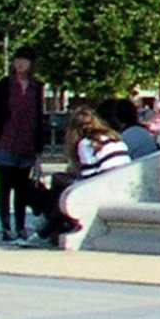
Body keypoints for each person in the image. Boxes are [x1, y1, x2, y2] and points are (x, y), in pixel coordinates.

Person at [42, 104, 131, 246]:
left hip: (107, 186)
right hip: (122, 183)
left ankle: (44, 230)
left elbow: (89, 177)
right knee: (63, 185)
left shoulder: (86, 143)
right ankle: (46, 228)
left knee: (60, 185)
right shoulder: (112, 137)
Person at [0, 49, 48, 244]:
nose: (20, 64)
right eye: (18, 60)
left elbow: (38, 118)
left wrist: (38, 149)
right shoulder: (4, 85)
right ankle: (6, 227)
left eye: (24, 60)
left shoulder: (36, 87)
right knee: (5, 186)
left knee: (22, 188)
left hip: (27, 144)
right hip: (5, 141)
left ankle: (20, 226)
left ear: (32, 64)